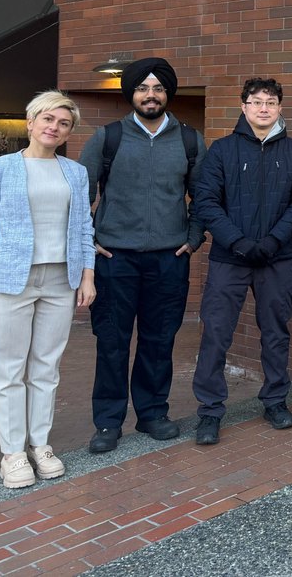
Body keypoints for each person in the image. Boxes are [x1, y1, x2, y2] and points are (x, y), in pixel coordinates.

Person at [0, 91, 96, 488]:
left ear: (69, 131)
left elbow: (84, 228)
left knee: (46, 368)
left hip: (60, 281)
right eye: (48, 119)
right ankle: (12, 453)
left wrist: (88, 275)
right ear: (31, 122)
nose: (54, 127)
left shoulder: (75, 173)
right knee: (8, 369)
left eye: (63, 123)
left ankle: (40, 445)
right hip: (9, 280)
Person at [80, 57, 208, 453]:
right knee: (112, 342)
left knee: (159, 340)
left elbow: (203, 196)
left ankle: (152, 413)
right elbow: (79, 195)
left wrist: (194, 237)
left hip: (169, 259)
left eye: (157, 88)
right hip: (114, 258)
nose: (150, 95)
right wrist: (88, 240)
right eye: (142, 88)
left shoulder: (190, 140)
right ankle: (108, 422)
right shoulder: (108, 137)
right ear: (131, 93)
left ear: (167, 93)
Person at [191, 78, 292, 445]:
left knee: (275, 332)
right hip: (229, 257)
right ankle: (210, 410)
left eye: (270, 102)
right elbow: (206, 201)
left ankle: (275, 401)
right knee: (216, 333)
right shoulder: (222, 150)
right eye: (257, 101)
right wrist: (239, 242)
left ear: (279, 108)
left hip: (276, 257)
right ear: (244, 106)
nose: (263, 108)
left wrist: (274, 240)